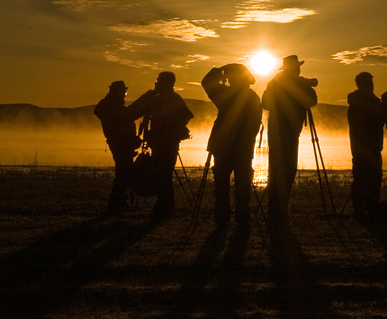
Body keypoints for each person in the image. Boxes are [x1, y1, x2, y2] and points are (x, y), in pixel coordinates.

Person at [201, 64, 262, 228]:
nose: (227, 81)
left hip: (223, 145)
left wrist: (218, 71)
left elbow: (206, 82)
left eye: (229, 78)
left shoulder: (226, 95)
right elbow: (255, 125)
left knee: (222, 183)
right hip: (242, 147)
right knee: (242, 183)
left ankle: (222, 215)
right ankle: (242, 215)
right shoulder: (253, 97)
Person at [127, 71, 194, 221]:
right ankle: (165, 207)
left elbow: (186, 116)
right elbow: (136, 111)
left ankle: (165, 208)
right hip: (161, 143)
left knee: (163, 174)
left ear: (164, 83)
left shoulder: (172, 99)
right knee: (162, 174)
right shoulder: (158, 98)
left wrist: (169, 128)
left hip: (168, 143)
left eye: (158, 81)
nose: (156, 83)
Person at [262, 55, 317, 233]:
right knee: (281, 170)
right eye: (297, 67)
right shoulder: (276, 83)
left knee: (287, 170)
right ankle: (277, 211)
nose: (299, 70)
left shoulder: (292, 82)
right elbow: (266, 102)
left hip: (289, 132)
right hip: (281, 131)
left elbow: (312, 100)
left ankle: (279, 210)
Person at [347, 72, 387, 219]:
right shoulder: (359, 103)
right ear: (364, 85)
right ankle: (362, 210)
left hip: (370, 148)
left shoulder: (363, 102)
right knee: (364, 179)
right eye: (369, 83)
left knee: (373, 178)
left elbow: (385, 121)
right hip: (363, 149)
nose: (371, 86)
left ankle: (369, 208)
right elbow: (378, 119)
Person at [94, 80, 141, 216]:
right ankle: (114, 204)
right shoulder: (110, 106)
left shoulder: (111, 105)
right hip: (120, 143)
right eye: (123, 92)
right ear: (117, 92)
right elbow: (121, 120)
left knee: (124, 171)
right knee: (123, 173)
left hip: (123, 142)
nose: (125, 95)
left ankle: (121, 202)